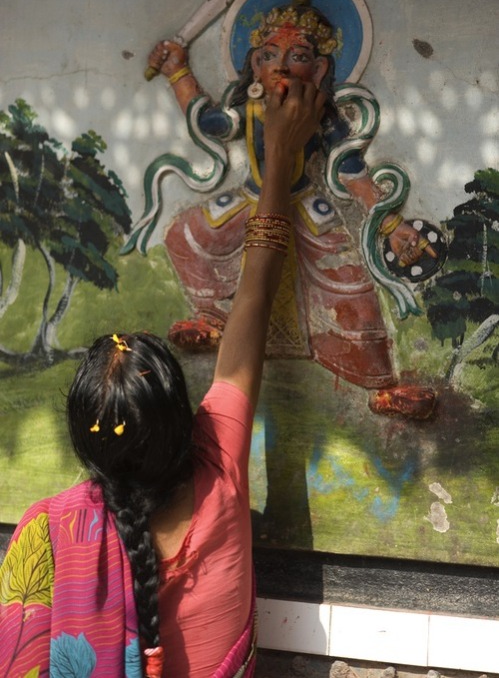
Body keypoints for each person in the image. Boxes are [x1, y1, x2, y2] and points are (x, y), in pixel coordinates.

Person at [0, 80, 326, 677]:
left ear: (86, 445)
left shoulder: (49, 536)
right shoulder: (219, 473)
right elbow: (252, 301)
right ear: (186, 422)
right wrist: (280, 156)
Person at [139, 0, 437, 418]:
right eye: (269, 54)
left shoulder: (321, 113)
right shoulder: (248, 108)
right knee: (186, 236)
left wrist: (390, 225)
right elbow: (209, 121)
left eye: (296, 55)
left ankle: (381, 383)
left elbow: (350, 168)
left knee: (351, 282)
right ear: (254, 63)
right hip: (249, 199)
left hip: (303, 203)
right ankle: (211, 318)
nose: (279, 64)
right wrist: (177, 71)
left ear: (318, 69)